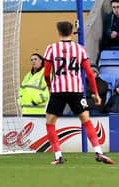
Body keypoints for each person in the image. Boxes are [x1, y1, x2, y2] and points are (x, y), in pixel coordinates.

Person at [43, 21, 114, 165]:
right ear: (72, 31)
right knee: (86, 120)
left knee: (50, 123)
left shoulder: (51, 49)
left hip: (58, 91)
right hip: (76, 90)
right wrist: (95, 93)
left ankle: (58, 156)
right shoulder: (79, 49)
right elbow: (89, 73)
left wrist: (50, 86)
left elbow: (46, 73)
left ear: (58, 32)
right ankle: (99, 152)